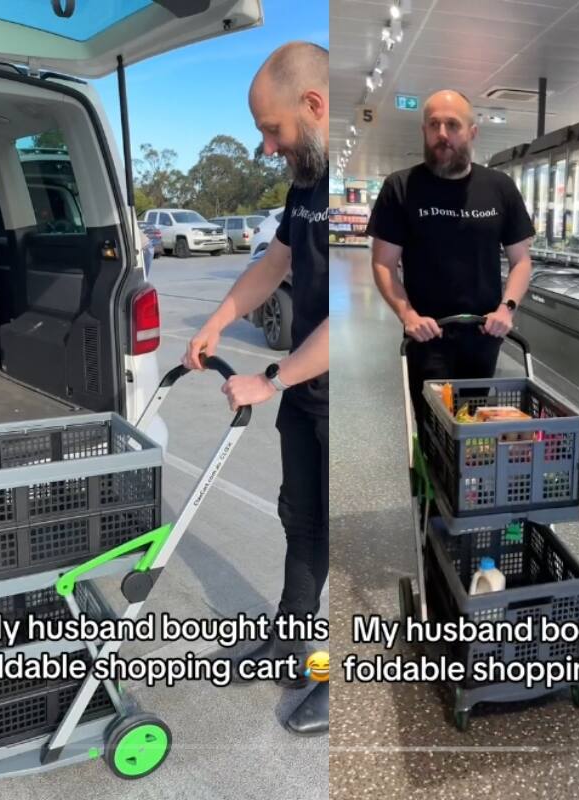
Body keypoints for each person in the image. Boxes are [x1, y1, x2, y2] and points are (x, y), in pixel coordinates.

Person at [184, 41, 329, 736]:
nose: (266, 146)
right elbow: (275, 264)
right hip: (309, 399)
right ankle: (289, 640)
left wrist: (271, 377)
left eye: (272, 129)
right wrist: (218, 318)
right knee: (301, 524)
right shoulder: (306, 186)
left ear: (314, 105)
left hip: (356, 406)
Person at [366, 89, 534, 445]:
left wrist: (507, 308)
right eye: (434, 125)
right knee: (433, 434)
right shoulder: (401, 187)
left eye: (452, 125)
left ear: (472, 132)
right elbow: (383, 263)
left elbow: (521, 261)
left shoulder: (499, 188)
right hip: (427, 336)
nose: (442, 133)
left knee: (474, 433)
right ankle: (432, 499)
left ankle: (468, 494)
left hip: (484, 335)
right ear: (424, 131)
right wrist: (407, 314)